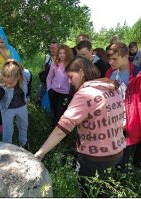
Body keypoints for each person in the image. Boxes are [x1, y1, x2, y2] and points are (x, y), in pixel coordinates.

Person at [35, 56, 126, 197]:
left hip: (95, 156)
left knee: (87, 193)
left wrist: (40, 153)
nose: (70, 82)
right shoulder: (111, 88)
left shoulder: (85, 94)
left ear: (82, 72)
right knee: (102, 191)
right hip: (117, 152)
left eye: (71, 77)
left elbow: (62, 128)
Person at [105, 43, 141, 171]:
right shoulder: (111, 73)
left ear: (126, 56)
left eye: (114, 59)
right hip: (113, 119)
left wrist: (128, 119)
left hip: (129, 120)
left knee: (124, 155)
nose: (110, 62)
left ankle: (123, 177)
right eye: (109, 59)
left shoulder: (137, 74)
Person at [0, 59, 31, 149]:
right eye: (5, 82)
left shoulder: (25, 74)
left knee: (23, 126)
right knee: (8, 131)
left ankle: (23, 144)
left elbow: (29, 82)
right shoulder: (2, 86)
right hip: (7, 109)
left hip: (22, 106)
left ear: (18, 77)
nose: (7, 85)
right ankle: (7, 149)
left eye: (11, 83)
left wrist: (27, 95)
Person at [46, 44, 73, 126]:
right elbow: (49, 77)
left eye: (64, 53)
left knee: (61, 112)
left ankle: (60, 129)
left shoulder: (72, 64)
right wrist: (49, 89)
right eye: (60, 53)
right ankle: (53, 127)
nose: (61, 55)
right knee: (54, 110)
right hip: (53, 91)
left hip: (65, 93)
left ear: (67, 54)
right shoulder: (55, 63)